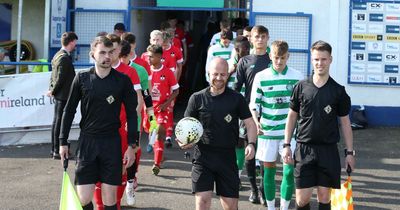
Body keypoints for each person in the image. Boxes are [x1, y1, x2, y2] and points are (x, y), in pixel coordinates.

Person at [58, 36, 138, 210]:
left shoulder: (122, 81)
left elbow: (132, 114)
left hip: (111, 143)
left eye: (110, 52)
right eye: (102, 52)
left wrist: (132, 145)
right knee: (84, 199)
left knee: (110, 199)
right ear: (93, 54)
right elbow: (69, 110)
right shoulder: (82, 78)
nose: (107, 56)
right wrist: (62, 142)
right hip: (88, 142)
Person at [282, 40, 355, 210]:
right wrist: (286, 145)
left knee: (324, 196)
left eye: (323, 59)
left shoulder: (338, 91)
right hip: (304, 148)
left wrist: (350, 153)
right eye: (316, 59)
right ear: (312, 60)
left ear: (330, 59)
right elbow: (292, 117)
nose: (319, 63)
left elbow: (345, 123)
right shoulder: (300, 87)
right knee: (301, 200)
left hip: (328, 150)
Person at [182, 57, 257, 210]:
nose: (218, 78)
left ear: (228, 75)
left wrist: (251, 143)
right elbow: (185, 127)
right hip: (203, 157)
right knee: (202, 202)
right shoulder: (197, 98)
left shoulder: (236, 98)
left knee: (231, 206)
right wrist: (184, 141)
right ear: (208, 74)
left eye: (223, 74)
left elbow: (250, 123)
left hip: (228, 157)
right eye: (215, 74)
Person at [249, 40, 304, 210]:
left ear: (288, 56)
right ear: (270, 56)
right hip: (267, 131)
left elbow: (302, 106)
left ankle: (285, 208)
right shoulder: (261, 76)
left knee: (288, 171)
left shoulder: (298, 76)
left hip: (289, 134)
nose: (279, 62)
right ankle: (272, 208)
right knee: (269, 172)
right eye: (276, 58)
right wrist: (256, 122)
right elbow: (254, 104)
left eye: (282, 58)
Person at [92, 34, 143, 210]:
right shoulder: (95, 72)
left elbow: (138, 101)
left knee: (118, 175)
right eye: (107, 51)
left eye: (113, 50)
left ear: (120, 50)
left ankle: (124, 192)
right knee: (98, 176)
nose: (110, 55)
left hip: (121, 132)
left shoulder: (130, 72)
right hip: (99, 134)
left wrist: (134, 127)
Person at [234, 25, 271, 205]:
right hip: (249, 115)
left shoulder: (274, 60)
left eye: (264, 36)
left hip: (269, 115)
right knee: (250, 151)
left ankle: (264, 190)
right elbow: (235, 89)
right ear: (251, 39)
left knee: (265, 155)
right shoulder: (245, 61)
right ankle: (253, 190)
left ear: (268, 38)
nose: (260, 40)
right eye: (257, 36)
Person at [147, 44, 179, 175]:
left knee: (159, 133)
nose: (149, 59)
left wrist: (166, 104)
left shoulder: (168, 72)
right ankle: (159, 156)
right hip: (149, 110)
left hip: (162, 110)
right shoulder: (146, 71)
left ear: (160, 57)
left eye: (151, 56)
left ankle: (156, 164)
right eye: (148, 56)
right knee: (153, 135)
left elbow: (176, 90)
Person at [47, 31, 78, 159]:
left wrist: (51, 89)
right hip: (64, 95)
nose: (75, 46)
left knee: (57, 121)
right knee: (60, 122)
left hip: (60, 94)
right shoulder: (64, 58)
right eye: (75, 43)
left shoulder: (57, 55)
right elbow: (60, 78)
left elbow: (53, 76)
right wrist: (53, 91)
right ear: (70, 43)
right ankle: (56, 150)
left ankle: (54, 148)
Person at [226, 35, 251, 190]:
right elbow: (215, 82)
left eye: (249, 48)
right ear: (236, 50)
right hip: (227, 108)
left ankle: (237, 176)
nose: (248, 51)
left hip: (244, 109)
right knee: (228, 144)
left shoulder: (251, 63)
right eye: (245, 49)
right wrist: (230, 71)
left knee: (240, 142)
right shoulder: (228, 64)